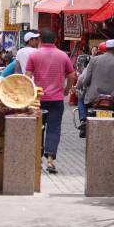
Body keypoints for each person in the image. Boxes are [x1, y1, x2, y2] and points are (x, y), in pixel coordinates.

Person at [26, 28, 75, 174]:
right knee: (53, 129)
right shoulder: (63, 56)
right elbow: (72, 74)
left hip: (38, 99)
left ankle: (36, 161)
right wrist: (66, 90)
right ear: (54, 40)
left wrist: (29, 93)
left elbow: (27, 76)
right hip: (56, 99)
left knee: (38, 128)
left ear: (40, 40)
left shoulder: (34, 55)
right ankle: (50, 161)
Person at [81, 39, 114, 134]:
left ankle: (84, 121)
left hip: (94, 97)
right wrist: (113, 94)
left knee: (81, 98)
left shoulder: (94, 60)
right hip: (113, 99)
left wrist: (86, 86)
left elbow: (86, 79)